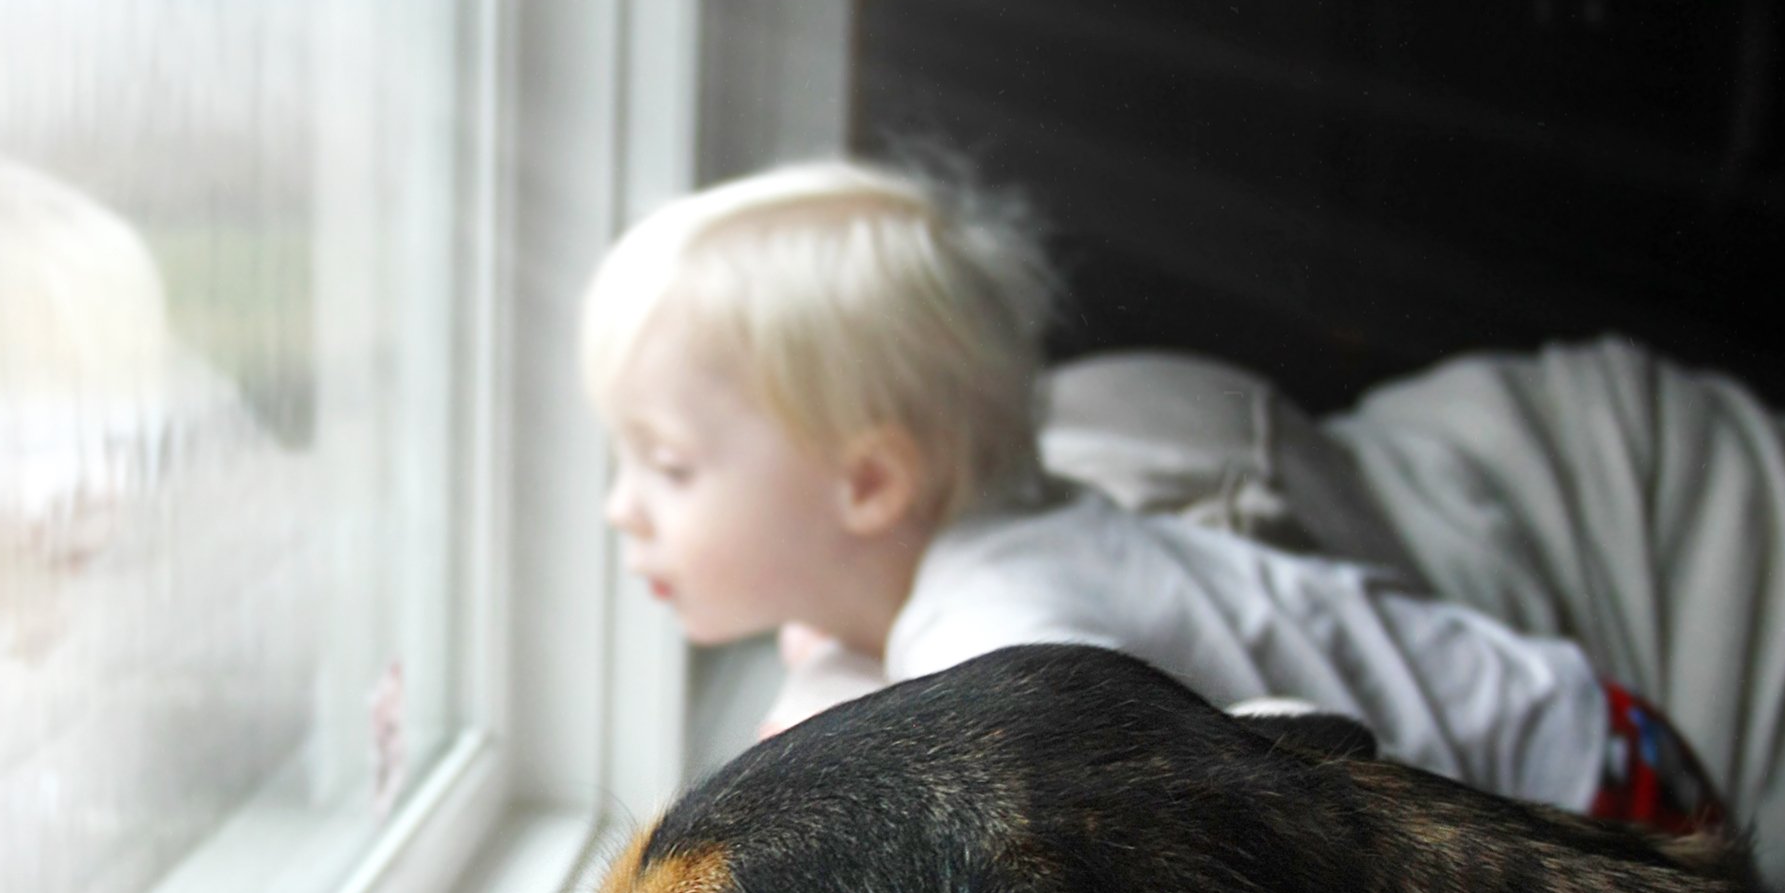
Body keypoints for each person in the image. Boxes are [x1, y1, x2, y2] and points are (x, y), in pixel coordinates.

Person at [583, 159, 1721, 829]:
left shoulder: (1006, 628)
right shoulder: (956, 555)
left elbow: (1211, 809)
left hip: (1595, 794)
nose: (618, 506)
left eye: (668, 466)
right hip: (1596, 721)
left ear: (871, 483)